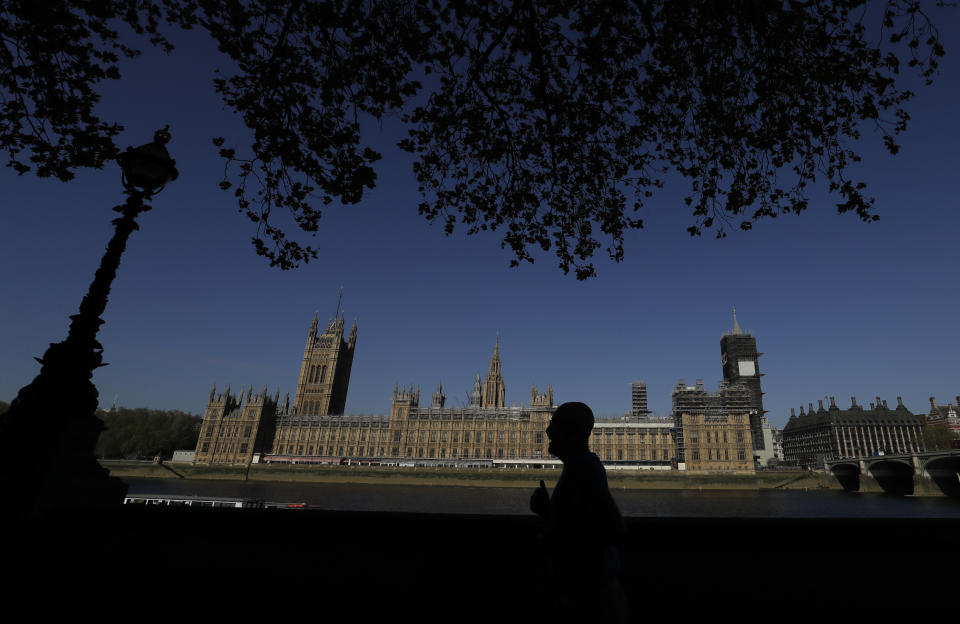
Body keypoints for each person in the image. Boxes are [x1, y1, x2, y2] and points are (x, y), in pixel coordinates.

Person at [530, 402, 629, 622]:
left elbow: (614, 529)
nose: (547, 431)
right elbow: (579, 521)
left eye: (554, 424)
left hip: (593, 600)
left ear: (571, 432)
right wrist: (549, 512)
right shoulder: (578, 467)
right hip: (584, 594)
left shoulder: (584, 469)